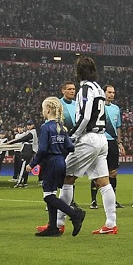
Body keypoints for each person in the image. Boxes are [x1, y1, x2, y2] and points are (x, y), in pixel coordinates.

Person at [64, 55, 118, 235]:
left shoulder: (86, 89)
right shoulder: (98, 88)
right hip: (102, 139)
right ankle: (111, 223)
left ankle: (58, 222)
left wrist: (72, 136)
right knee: (103, 181)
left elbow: (85, 116)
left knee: (66, 177)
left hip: (89, 138)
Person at [33, 96, 84, 237]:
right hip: (61, 162)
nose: (42, 111)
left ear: (48, 110)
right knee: (52, 194)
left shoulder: (46, 127)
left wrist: (32, 163)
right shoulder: (62, 127)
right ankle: (53, 227)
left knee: (48, 196)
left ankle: (75, 214)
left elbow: (42, 149)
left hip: (51, 163)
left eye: (43, 109)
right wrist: (60, 154)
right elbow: (70, 147)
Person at [92, 84, 122, 210]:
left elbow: (118, 127)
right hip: (100, 140)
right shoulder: (98, 107)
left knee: (113, 172)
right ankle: (94, 200)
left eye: (113, 92)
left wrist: (119, 142)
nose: (111, 95)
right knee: (97, 172)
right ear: (103, 93)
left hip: (112, 143)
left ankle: (113, 200)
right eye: (109, 92)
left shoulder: (116, 109)